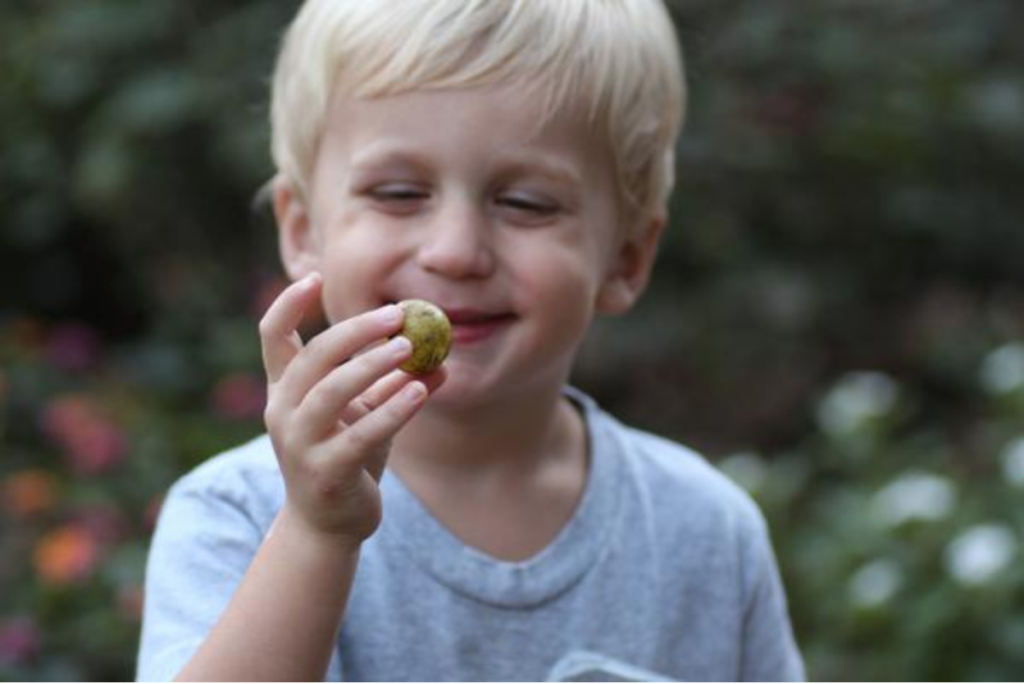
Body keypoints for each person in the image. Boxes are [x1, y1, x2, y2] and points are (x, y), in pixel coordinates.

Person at [136, 0, 805, 680]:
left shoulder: (707, 534)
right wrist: (315, 533)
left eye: (526, 203)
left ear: (626, 257)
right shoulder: (234, 516)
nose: (455, 252)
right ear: (305, 231)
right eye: (398, 192)